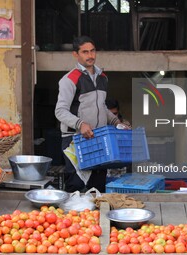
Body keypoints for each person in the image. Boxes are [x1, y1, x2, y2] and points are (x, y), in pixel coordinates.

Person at [55, 35, 124, 193]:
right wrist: (80, 124)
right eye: (85, 52)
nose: (90, 55)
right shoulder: (69, 79)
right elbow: (60, 110)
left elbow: (102, 107)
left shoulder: (102, 78)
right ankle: (74, 216)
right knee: (76, 185)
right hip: (75, 139)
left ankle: (96, 217)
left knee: (98, 185)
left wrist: (115, 122)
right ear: (75, 54)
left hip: (98, 137)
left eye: (92, 51)